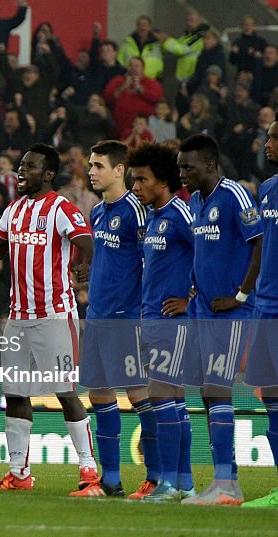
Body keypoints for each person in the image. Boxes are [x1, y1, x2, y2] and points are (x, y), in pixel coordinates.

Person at [0, 144, 100, 492]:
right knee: (14, 392)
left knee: (65, 391)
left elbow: (86, 240)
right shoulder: (13, 210)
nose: (21, 172)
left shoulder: (61, 208)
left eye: (29, 167)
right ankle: (19, 473)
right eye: (20, 166)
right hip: (17, 317)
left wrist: (85, 265)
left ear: (47, 174)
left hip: (54, 314)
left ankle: (89, 470)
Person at [178, 134, 262, 505]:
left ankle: (226, 484)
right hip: (203, 311)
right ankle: (226, 481)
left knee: (217, 387)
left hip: (232, 311)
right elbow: (204, 253)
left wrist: (241, 294)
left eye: (188, 167)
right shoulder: (196, 200)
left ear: (210, 164)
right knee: (208, 393)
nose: (182, 173)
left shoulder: (236, 195)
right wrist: (193, 291)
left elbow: (260, 243)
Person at [74, 140, 157, 499]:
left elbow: (149, 262)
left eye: (99, 166)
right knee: (100, 393)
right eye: (91, 165)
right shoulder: (97, 211)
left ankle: (156, 476)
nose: (92, 171)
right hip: (97, 316)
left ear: (120, 170)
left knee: (140, 395)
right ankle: (110, 480)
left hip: (127, 316)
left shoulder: (136, 211)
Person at [128, 142, 197, 501]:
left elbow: (209, 252)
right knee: (174, 402)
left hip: (172, 321)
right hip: (152, 317)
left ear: (163, 181)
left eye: (142, 179)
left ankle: (169, 482)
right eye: (133, 179)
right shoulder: (154, 217)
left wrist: (190, 297)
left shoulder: (180, 214)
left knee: (160, 396)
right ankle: (183, 481)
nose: (136, 186)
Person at [242, 120, 278, 507]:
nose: (267, 144)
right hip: (264, 306)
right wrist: (245, 293)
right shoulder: (267, 190)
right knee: (269, 394)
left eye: (274, 138)